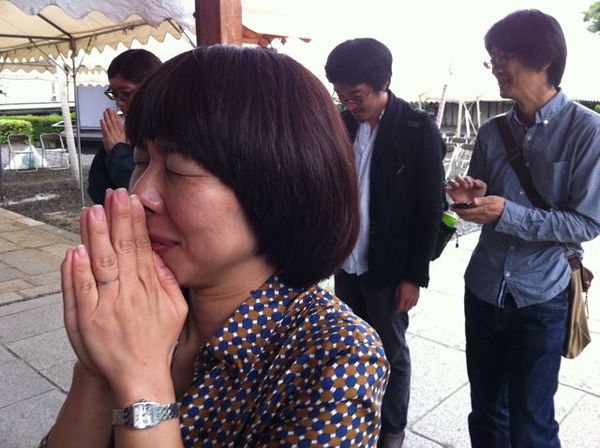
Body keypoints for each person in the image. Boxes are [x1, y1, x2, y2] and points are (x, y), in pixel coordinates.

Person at [43, 46, 389, 447]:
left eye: (178, 168)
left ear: (279, 186)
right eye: (140, 161)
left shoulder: (336, 356)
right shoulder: (144, 307)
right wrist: (97, 365)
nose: (139, 194)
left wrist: (139, 376)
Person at [446, 9, 600, 448]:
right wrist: (469, 199)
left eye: (504, 56)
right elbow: (483, 201)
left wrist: (506, 213)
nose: (495, 67)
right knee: (486, 412)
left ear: (543, 59)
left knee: (532, 423)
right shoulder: (492, 132)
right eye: (492, 58)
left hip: (541, 296)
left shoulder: (588, 132)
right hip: (483, 288)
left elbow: (587, 222)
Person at [325, 38, 446, 447]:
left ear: (383, 83)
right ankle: (357, 417)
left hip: (390, 267)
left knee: (390, 350)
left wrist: (414, 275)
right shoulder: (343, 124)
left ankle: (392, 429)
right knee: (349, 345)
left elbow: (430, 208)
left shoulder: (416, 129)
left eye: (355, 95)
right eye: (341, 94)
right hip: (348, 262)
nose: (349, 103)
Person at [87, 49, 162, 205]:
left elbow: (147, 195)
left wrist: (118, 151)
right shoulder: (129, 131)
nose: (119, 102)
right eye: (114, 94)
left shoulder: (173, 130)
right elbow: (98, 192)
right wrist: (109, 150)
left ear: (153, 87)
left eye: (126, 93)